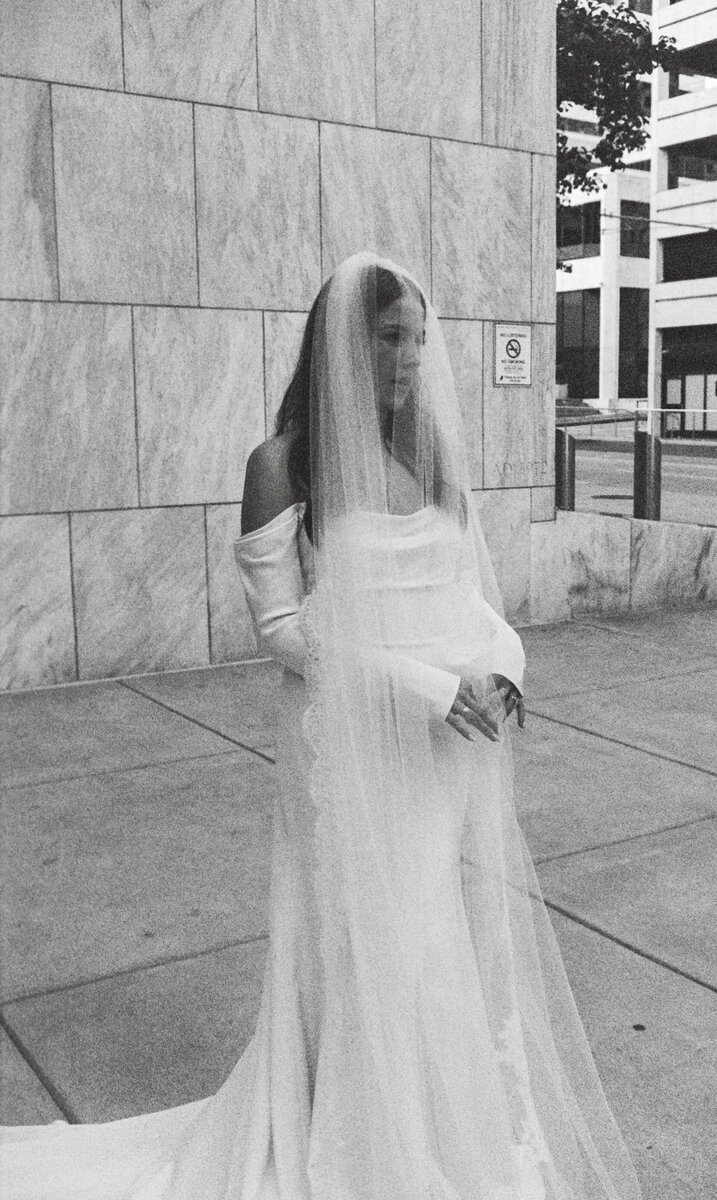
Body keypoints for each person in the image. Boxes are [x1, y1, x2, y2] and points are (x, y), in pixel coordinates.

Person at [0, 252, 641, 1199]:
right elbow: (284, 632)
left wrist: (505, 667)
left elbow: (468, 598)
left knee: (440, 942)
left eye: (420, 340)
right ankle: (352, 1143)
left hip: (442, 750)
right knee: (367, 944)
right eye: (391, 337)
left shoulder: (428, 453)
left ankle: (431, 1129)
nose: (410, 360)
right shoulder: (282, 464)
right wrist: (426, 685)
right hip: (346, 747)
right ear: (345, 336)